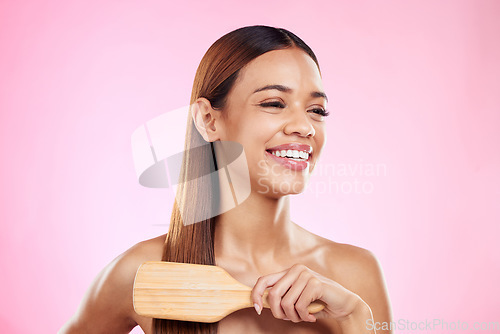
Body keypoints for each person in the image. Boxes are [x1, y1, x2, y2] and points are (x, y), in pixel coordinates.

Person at [59, 25, 392, 334]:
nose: (304, 127)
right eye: (274, 103)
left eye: (316, 110)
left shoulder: (355, 274)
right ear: (208, 120)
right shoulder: (143, 273)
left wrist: (352, 315)